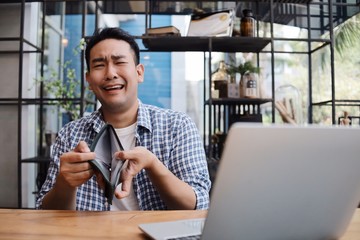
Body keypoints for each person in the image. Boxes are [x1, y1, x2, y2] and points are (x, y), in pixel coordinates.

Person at [36, 27, 211, 211]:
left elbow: (198, 205)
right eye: (99, 65)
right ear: (88, 80)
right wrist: (65, 184)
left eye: (119, 62)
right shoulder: (70, 134)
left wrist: (153, 165)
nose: (110, 74)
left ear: (139, 73)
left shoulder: (177, 126)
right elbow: (45, 212)